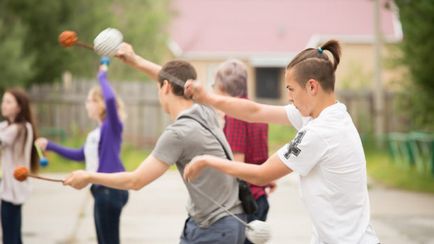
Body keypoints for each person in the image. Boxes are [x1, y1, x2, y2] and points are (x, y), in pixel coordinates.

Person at [183, 40, 380, 244]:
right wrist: (208, 98)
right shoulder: (328, 114)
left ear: (312, 86)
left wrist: (207, 160)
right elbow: (254, 112)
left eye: (291, 89)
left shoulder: (321, 132)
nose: (289, 97)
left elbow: (261, 174)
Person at [63, 44, 247, 244]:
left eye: (159, 86)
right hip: (227, 222)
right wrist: (135, 60)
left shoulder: (177, 134)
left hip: (213, 229)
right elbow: (168, 77)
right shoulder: (206, 111)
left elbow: (136, 181)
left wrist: (88, 176)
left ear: (166, 87)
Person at [35, 62, 129, 244]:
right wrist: (50, 145)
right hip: (100, 190)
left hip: (111, 190)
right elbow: (80, 155)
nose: (86, 104)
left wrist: (102, 77)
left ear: (100, 104)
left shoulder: (113, 126)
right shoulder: (96, 132)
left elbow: (111, 100)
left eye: (89, 100)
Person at [212, 59, 275, 244]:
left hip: (247, 203)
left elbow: (237, 166)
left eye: (213, 85)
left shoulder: (236, 115)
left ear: (222, 87)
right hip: (260, 196)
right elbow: (260, 156)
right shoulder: (256, 111)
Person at [0, 88, 39, 244]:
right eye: (3, 101)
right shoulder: (9, 126)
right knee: (14, 235)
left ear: (19, 107)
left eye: (8, 102)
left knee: (10, 237)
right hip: (13, 190)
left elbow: (4, 136)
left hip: (12, 192)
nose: (3, 105)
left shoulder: (20, 128)